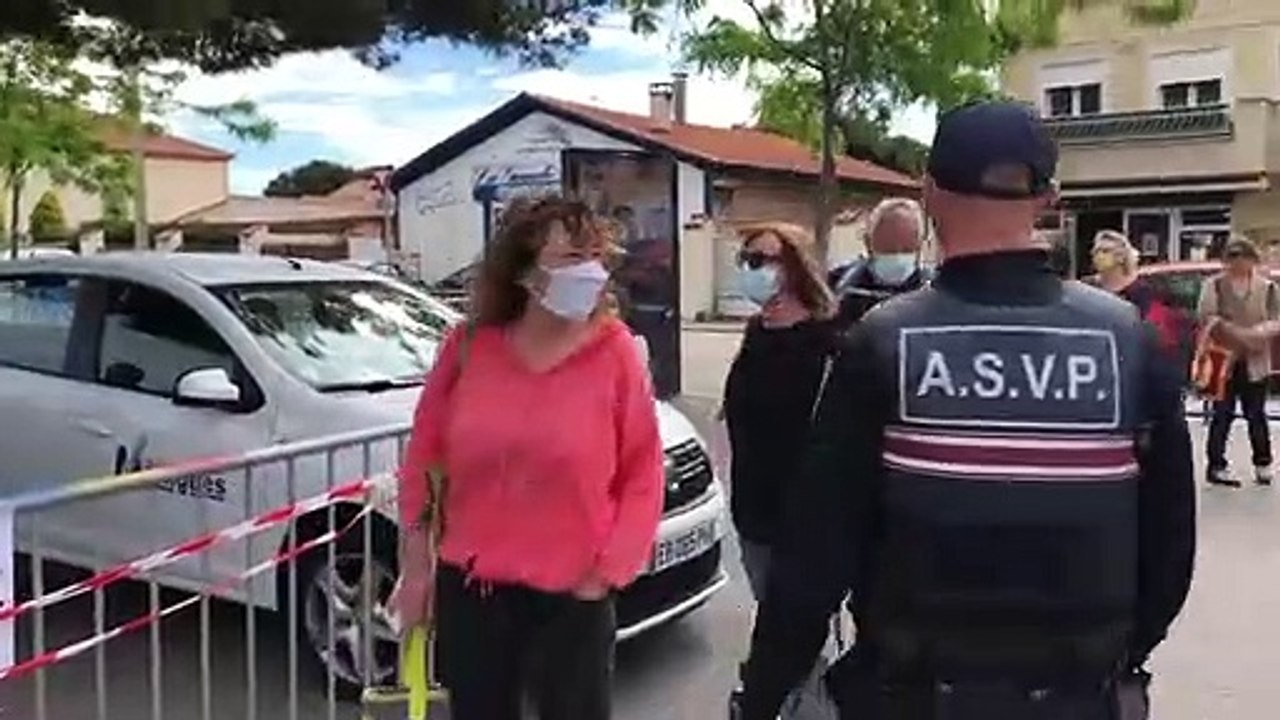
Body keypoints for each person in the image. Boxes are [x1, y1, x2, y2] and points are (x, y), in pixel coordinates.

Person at [736, 101, 1196, 720]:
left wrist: (764, 692)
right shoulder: (1127, 339)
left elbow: (815, 554)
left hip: (911, 696)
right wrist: (1118, 659)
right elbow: (1170, 544)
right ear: (1050, 198)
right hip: (1077, 696)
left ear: (928, 193)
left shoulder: (882, 340)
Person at [391, 195, 665, 720]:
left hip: (573, 597)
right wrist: (418, 569)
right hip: (472, 590)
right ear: (524, 274)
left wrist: (604, 575)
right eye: (570, 259)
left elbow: (642, 472)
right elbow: (425, 460)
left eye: (596, 256)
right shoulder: (467, 347)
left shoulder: (616, 352)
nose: (590, 271)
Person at [723, 221, 840, 601]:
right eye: (745, 258)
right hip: (752, 514)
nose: (748, 269)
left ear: (795, 266)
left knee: (793, 636)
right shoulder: (757, 333)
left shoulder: (829, 341)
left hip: (805, 524)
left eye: (760, 260)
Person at [1197, 235, 1279, 487]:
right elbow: (1206, 316)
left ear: (1251, 259)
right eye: (1231, 257)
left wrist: (1260, 332)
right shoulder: (1215, 285)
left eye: (1241, 257)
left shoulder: (1267, 287)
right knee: (1222, 414)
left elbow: (1276, 318)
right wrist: (1236, 332)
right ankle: (1217, 465)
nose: (1236, 262)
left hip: (1255, 358)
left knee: (1256, 414)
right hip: (1222, 358)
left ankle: (1263, 463)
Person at [1090, 230, 1192, 368]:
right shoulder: (1089, 287)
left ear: (1121, 256)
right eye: (1096, 251)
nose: (1098, 256)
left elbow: (1149, 327)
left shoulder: (1142, 290)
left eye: (1105, 251)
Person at [831, 198, 932, 328]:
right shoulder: (839, 285)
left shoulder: (933, 291)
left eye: (907, 250)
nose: (898, 257)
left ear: (919, 246)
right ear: (868, 243)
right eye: (889, 249)